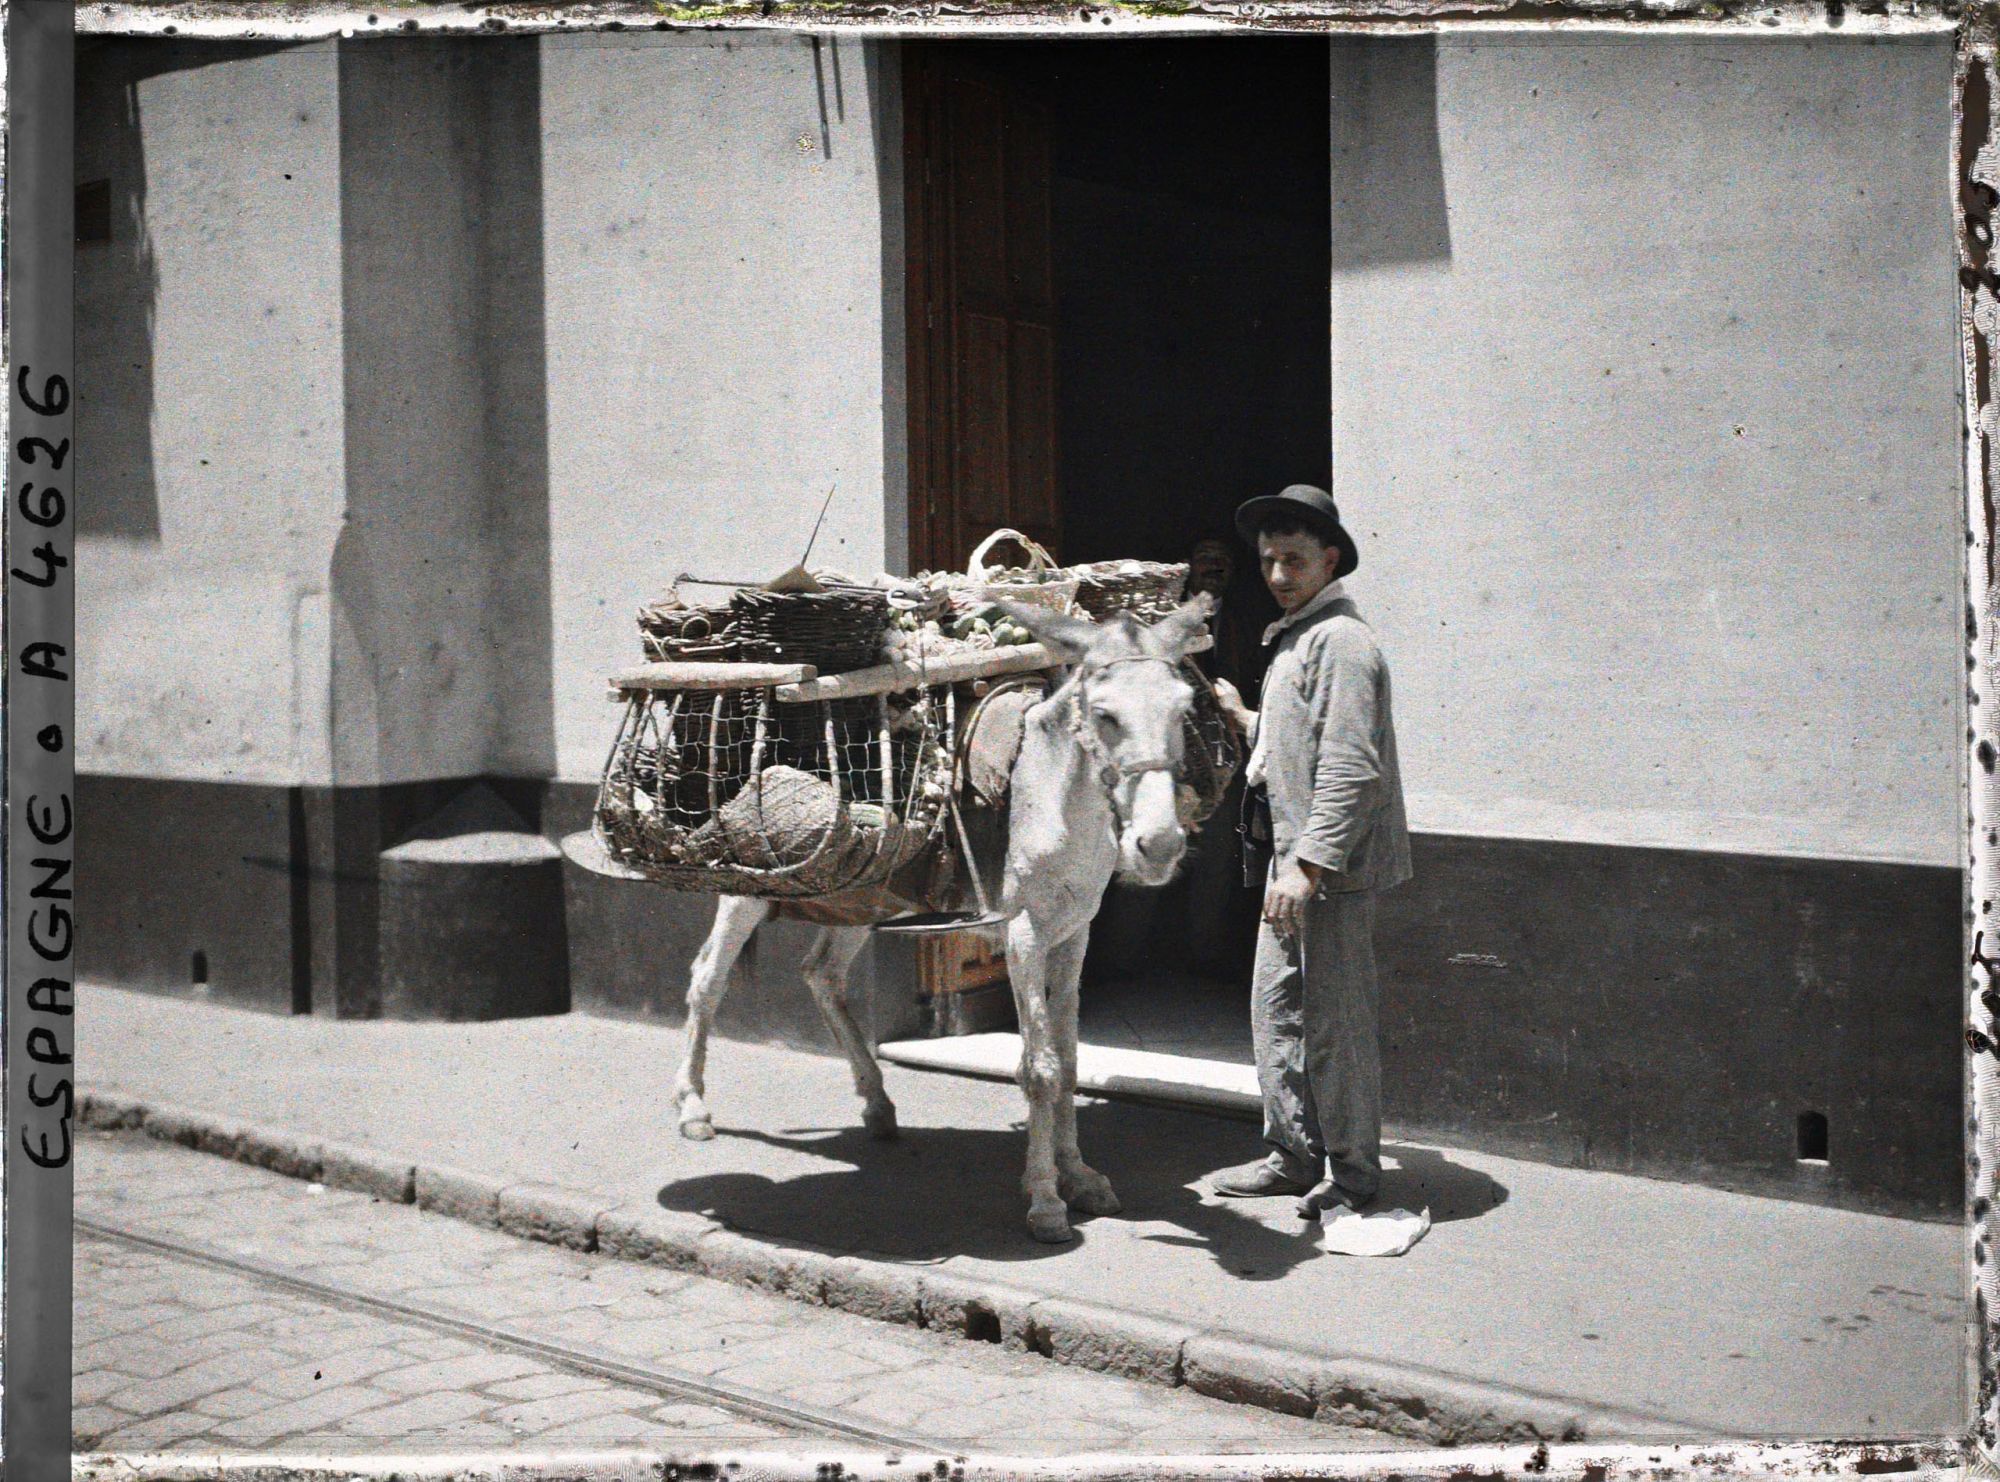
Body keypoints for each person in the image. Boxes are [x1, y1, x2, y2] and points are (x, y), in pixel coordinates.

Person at [1205, 484, 1412, 1217]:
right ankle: (1292, 1154)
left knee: (1335, 1026)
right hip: (1289, 864)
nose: (1279, 575)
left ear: (1329, 560)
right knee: (1277, 1012)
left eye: (1295, 560)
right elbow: (1299, 738)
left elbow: (1352, 766)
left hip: (1328, 872)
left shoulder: (1343, 643)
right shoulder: (1298, 635)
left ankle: (1352, 1175)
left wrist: (1308, 866)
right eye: (1268, 560)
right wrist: (1248, 717)